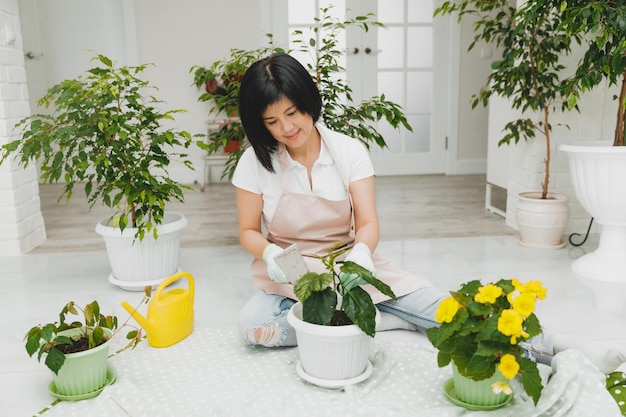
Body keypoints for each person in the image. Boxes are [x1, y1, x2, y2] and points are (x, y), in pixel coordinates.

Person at [232, 52, 447, 347]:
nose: (287, 128)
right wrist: (270, 255)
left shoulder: (349, 151)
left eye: (292, 113)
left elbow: (368, 222)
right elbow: (248, 231)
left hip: (346, 264)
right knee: (254, 326)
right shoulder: (254, 162)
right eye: (272, 121)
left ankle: (360, 315)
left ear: (308, 101)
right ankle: (376, 319)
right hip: (292, 268)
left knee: (441, 309)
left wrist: (361, 253)